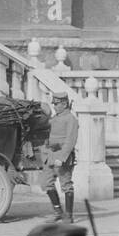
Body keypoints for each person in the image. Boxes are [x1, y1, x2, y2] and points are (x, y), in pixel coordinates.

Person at [42, 92, 78, 222]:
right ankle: (58, 212)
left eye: (56, 104)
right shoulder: (55, 118)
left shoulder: (71, 119)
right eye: (54, 104)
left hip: (63, 157)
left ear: (64, 104)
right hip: (51, 155)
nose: (54, 106)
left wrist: (62, 158)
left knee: (66, 185)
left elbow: (70, 140)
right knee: (46, 183)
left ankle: (68, 215)